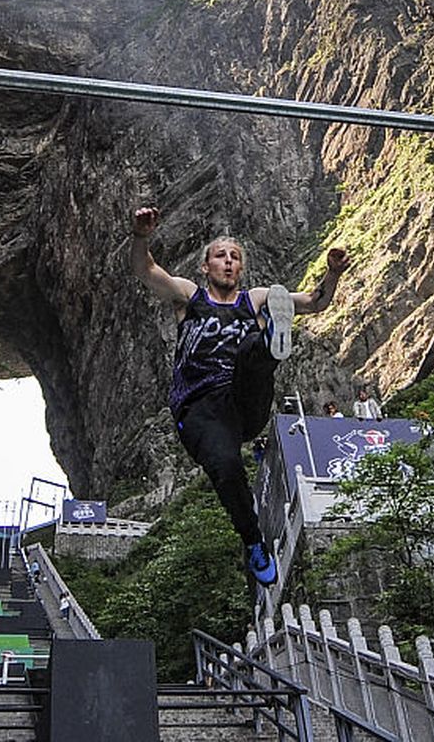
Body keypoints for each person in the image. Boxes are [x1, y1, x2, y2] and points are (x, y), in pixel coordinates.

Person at [131, 206, 347, 587]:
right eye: (220, 256)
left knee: (251, 350)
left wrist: (332, 272)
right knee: (226, 467)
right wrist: (142, 236)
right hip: (199, 408)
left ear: (241, 269)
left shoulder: (256, 299)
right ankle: (253, 543)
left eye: (234, 258)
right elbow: (147, 271)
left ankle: (271, 341)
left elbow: (315, 302)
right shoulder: (189, 296)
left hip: (244, 397)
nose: (228, 263)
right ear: (206, 266)